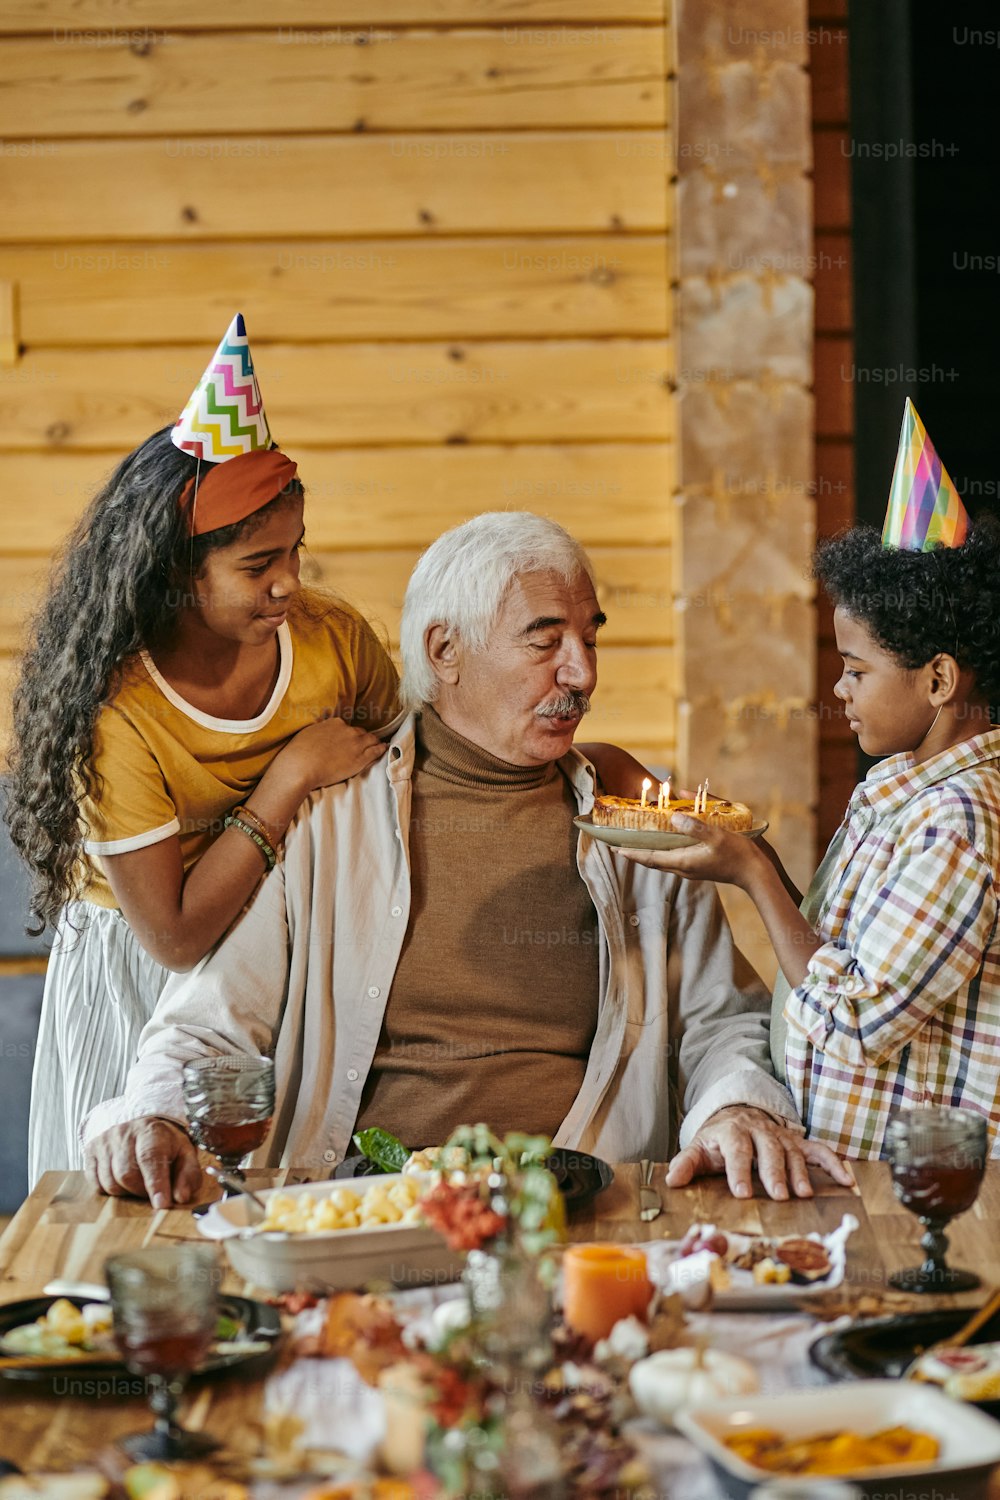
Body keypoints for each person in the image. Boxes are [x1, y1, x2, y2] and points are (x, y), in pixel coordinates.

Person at [82, 511, 853, 1208]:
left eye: (591, 637)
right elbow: (207, 1030)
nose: (582, 673)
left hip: (588, 1212)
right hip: (365, 1215)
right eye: (545, 640)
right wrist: (153, 1115)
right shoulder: (328, 816)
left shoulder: (639, 824)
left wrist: (738, 1107)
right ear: (444, 650)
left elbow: (720, 1022)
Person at [6, 316, 399, 1182]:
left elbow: (399, 787)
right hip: (139, 977)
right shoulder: (120, 710)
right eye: (259, 565)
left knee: (264, 1203)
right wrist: (290, 777)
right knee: (134, 1207)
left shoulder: (334, 642)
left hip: (282, 961)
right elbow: (176, 937)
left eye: (295, 550)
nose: (290, 582)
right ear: (178, 574)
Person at [617, 401, 1000, 1159]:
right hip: (853, 1171)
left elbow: (855, 1021)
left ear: (939, 679)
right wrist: (750, 862)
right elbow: (841, 960)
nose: (840, 692)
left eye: (857, 671)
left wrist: (755, 876)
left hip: (919, 1188)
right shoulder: (900, 790)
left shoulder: (958, 826)